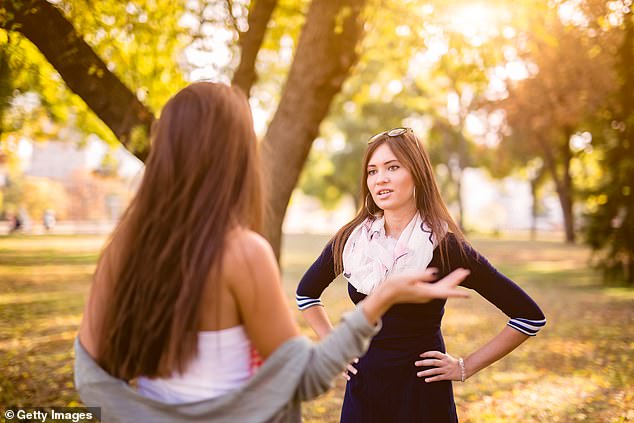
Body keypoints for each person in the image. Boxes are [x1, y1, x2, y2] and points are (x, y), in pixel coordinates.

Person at [74, 83, 472, 423]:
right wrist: (382, 298)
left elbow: (90, 380)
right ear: (235, 155)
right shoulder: (242, 253)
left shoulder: (121, 251)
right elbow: (306, 379)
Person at [296, 127, 547, 422]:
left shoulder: (445, 246)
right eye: (372, 171)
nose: (381, 179)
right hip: (364, 392)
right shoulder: (351, 240)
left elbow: (529, 317)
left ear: (416, 173)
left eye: (393, 167)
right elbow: (306, 294)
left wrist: (464, 367)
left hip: (423, 396)